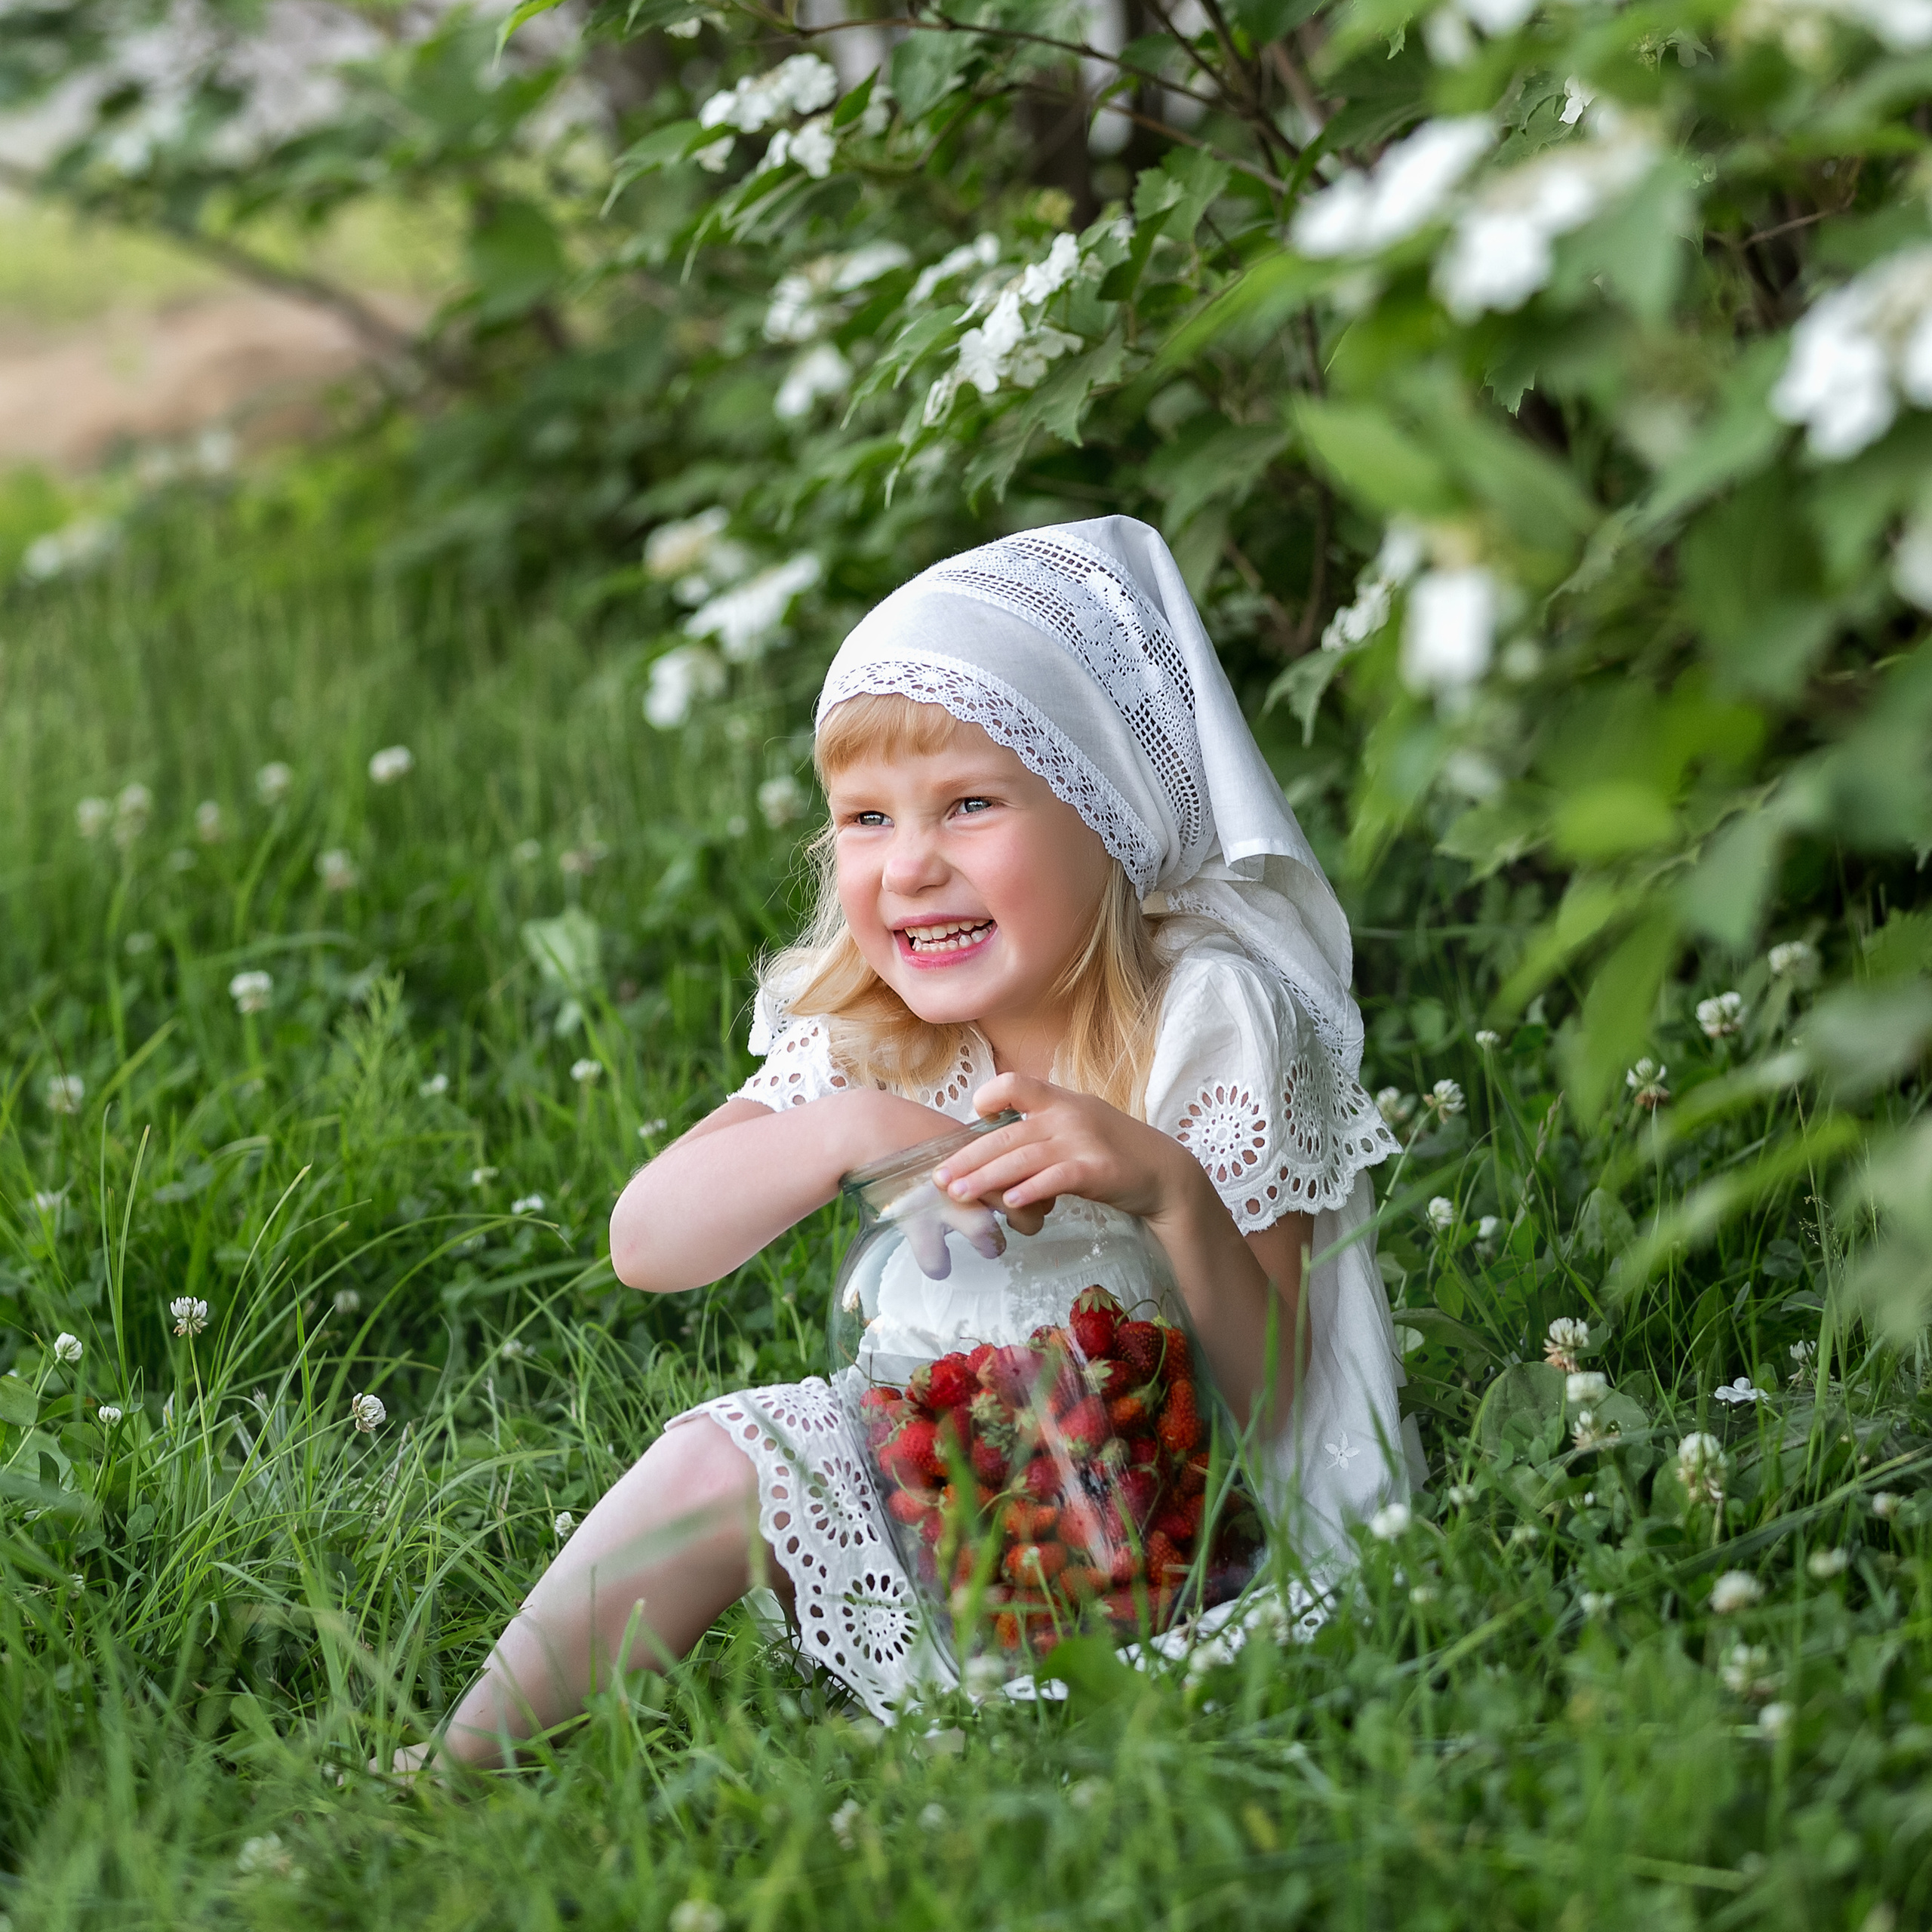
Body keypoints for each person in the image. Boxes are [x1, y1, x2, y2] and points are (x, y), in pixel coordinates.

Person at [404, 515, 1406, 1767]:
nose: (912, 866)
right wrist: (861, 1125)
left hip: (1208, 1546)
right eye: (867, 819)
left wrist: (1174, 1195)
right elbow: (644, 1243)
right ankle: (450, 1774)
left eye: (972, 805)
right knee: (721, 1451)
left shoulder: (1207, 1017)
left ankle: (1058, 1720)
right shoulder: (885, 1038)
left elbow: (1273, 1408)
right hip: (963, 1529)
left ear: (1108, 808)